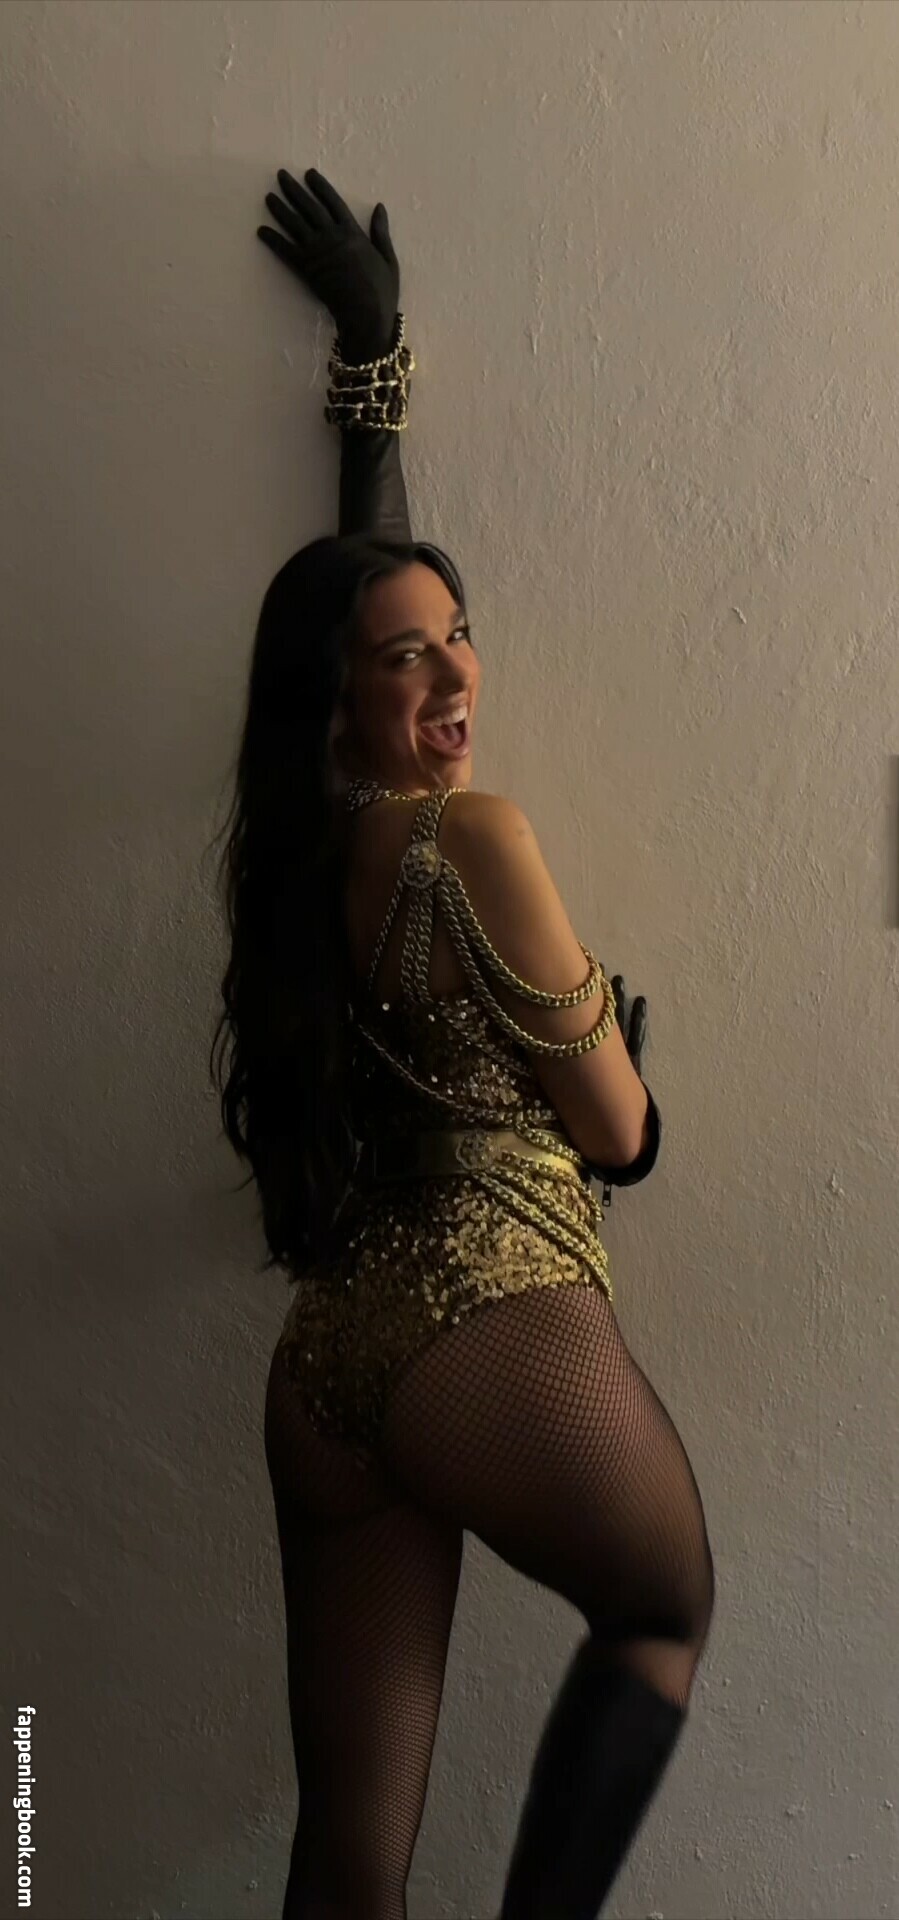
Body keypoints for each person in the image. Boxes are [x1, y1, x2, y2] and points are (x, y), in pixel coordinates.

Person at [211, 166, 715, 1920]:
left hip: (329, 1364)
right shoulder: (473, 841)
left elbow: (368, 606)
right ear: (344, 695)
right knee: (662, 1607)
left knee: (351, 1850)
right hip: (489, 1309)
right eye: (408, 664)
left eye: (461, 642)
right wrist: (617, 1061)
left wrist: (374, 370)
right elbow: (624, 1135)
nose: (452, 680)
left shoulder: (302, 858)